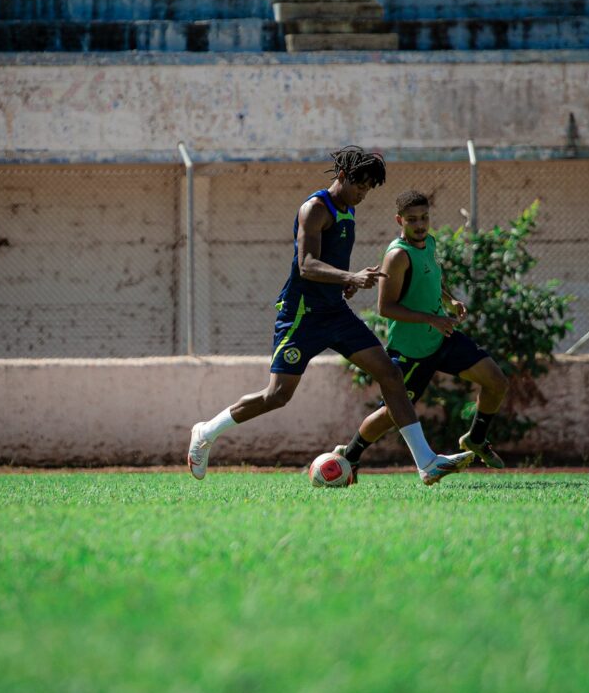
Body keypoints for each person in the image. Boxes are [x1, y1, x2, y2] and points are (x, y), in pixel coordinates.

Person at [187, 148, 475, 485]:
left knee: (390, 374)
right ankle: (206, 432)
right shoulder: (315, 209)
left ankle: (426, 463)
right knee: (277, 396)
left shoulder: (348, 210)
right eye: (358, 186)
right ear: (341, 176)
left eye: (368, 189)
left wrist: (343, 286)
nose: (362, 194)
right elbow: (307, 264)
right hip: (301, 317)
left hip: (335, 313)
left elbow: (329, 263)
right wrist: (349, 277)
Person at [334, 189, 509, 480]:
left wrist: (449, 301)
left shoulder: (428, 243)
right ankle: (350, 456)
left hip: (441, 337)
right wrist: (432, 318)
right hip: (411, 350)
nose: (420, 225)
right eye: (412, 219)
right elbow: (386, 307)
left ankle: (476, 438)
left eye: (425, 218)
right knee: (391, 414)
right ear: (399, 220)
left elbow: (430, 280)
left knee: (497, 382)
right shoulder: (397, 256)